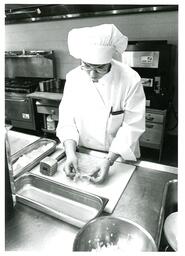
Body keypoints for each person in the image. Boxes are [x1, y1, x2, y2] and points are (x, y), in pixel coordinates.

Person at [56, 24, 146, 184]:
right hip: (84, 152)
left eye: (100, 68)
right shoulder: (73, 77)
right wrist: (70, 153)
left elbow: (132, 126)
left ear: (110, 61)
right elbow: (66, 120)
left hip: (119, 156)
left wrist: (109, 160)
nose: (92, 74)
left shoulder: (130, 79)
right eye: (87, 66)